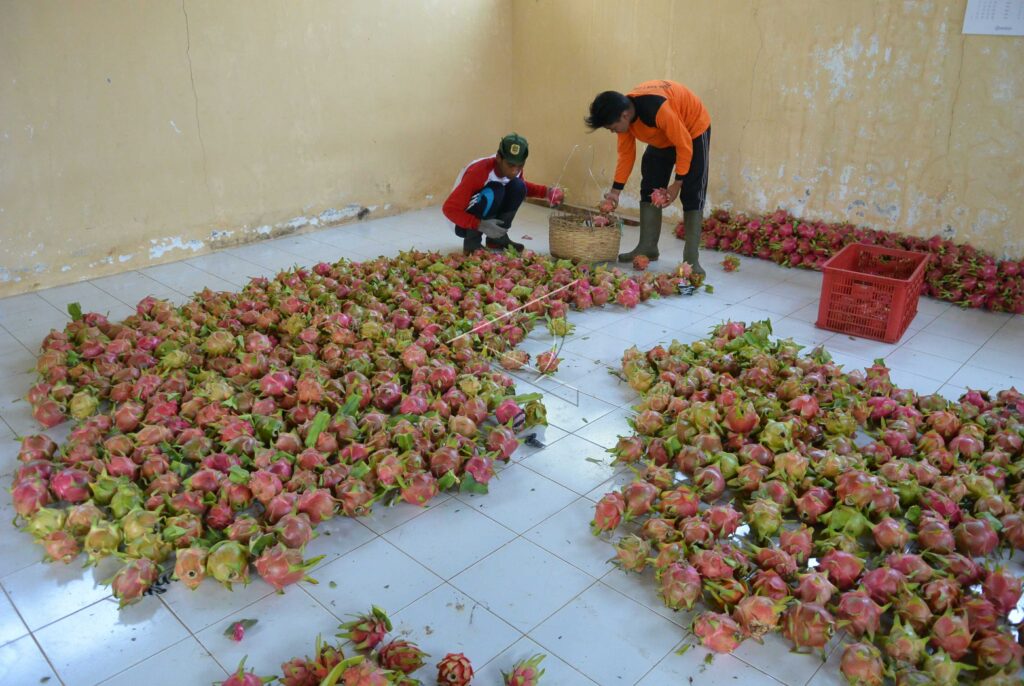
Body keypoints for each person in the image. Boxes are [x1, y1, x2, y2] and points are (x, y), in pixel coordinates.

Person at [585, 80, 711, 273]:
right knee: (650, 182)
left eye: (612, 127)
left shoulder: (658, 110)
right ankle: (648, 247)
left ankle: (691, 260)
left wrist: (677, 184)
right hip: (663, 135)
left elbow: (684, 144)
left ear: (624, 115)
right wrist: (615, 192)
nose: (612, 131)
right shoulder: (624, 117)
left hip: (692, 129)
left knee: (692, 191)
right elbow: (626, 155)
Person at [443, 133, 563, 255]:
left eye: (520, 165)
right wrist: (479, 224)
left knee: (518, 186)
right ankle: (471, 245)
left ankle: (497, 239)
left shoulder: (515, 170)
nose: (515, 170)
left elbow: (523, 187)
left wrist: (547, 193)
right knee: (495, 190)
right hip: (461, 223)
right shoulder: (478, 171)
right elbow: (449, 209)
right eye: (510, 165)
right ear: (499, 158)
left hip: (482, 216)